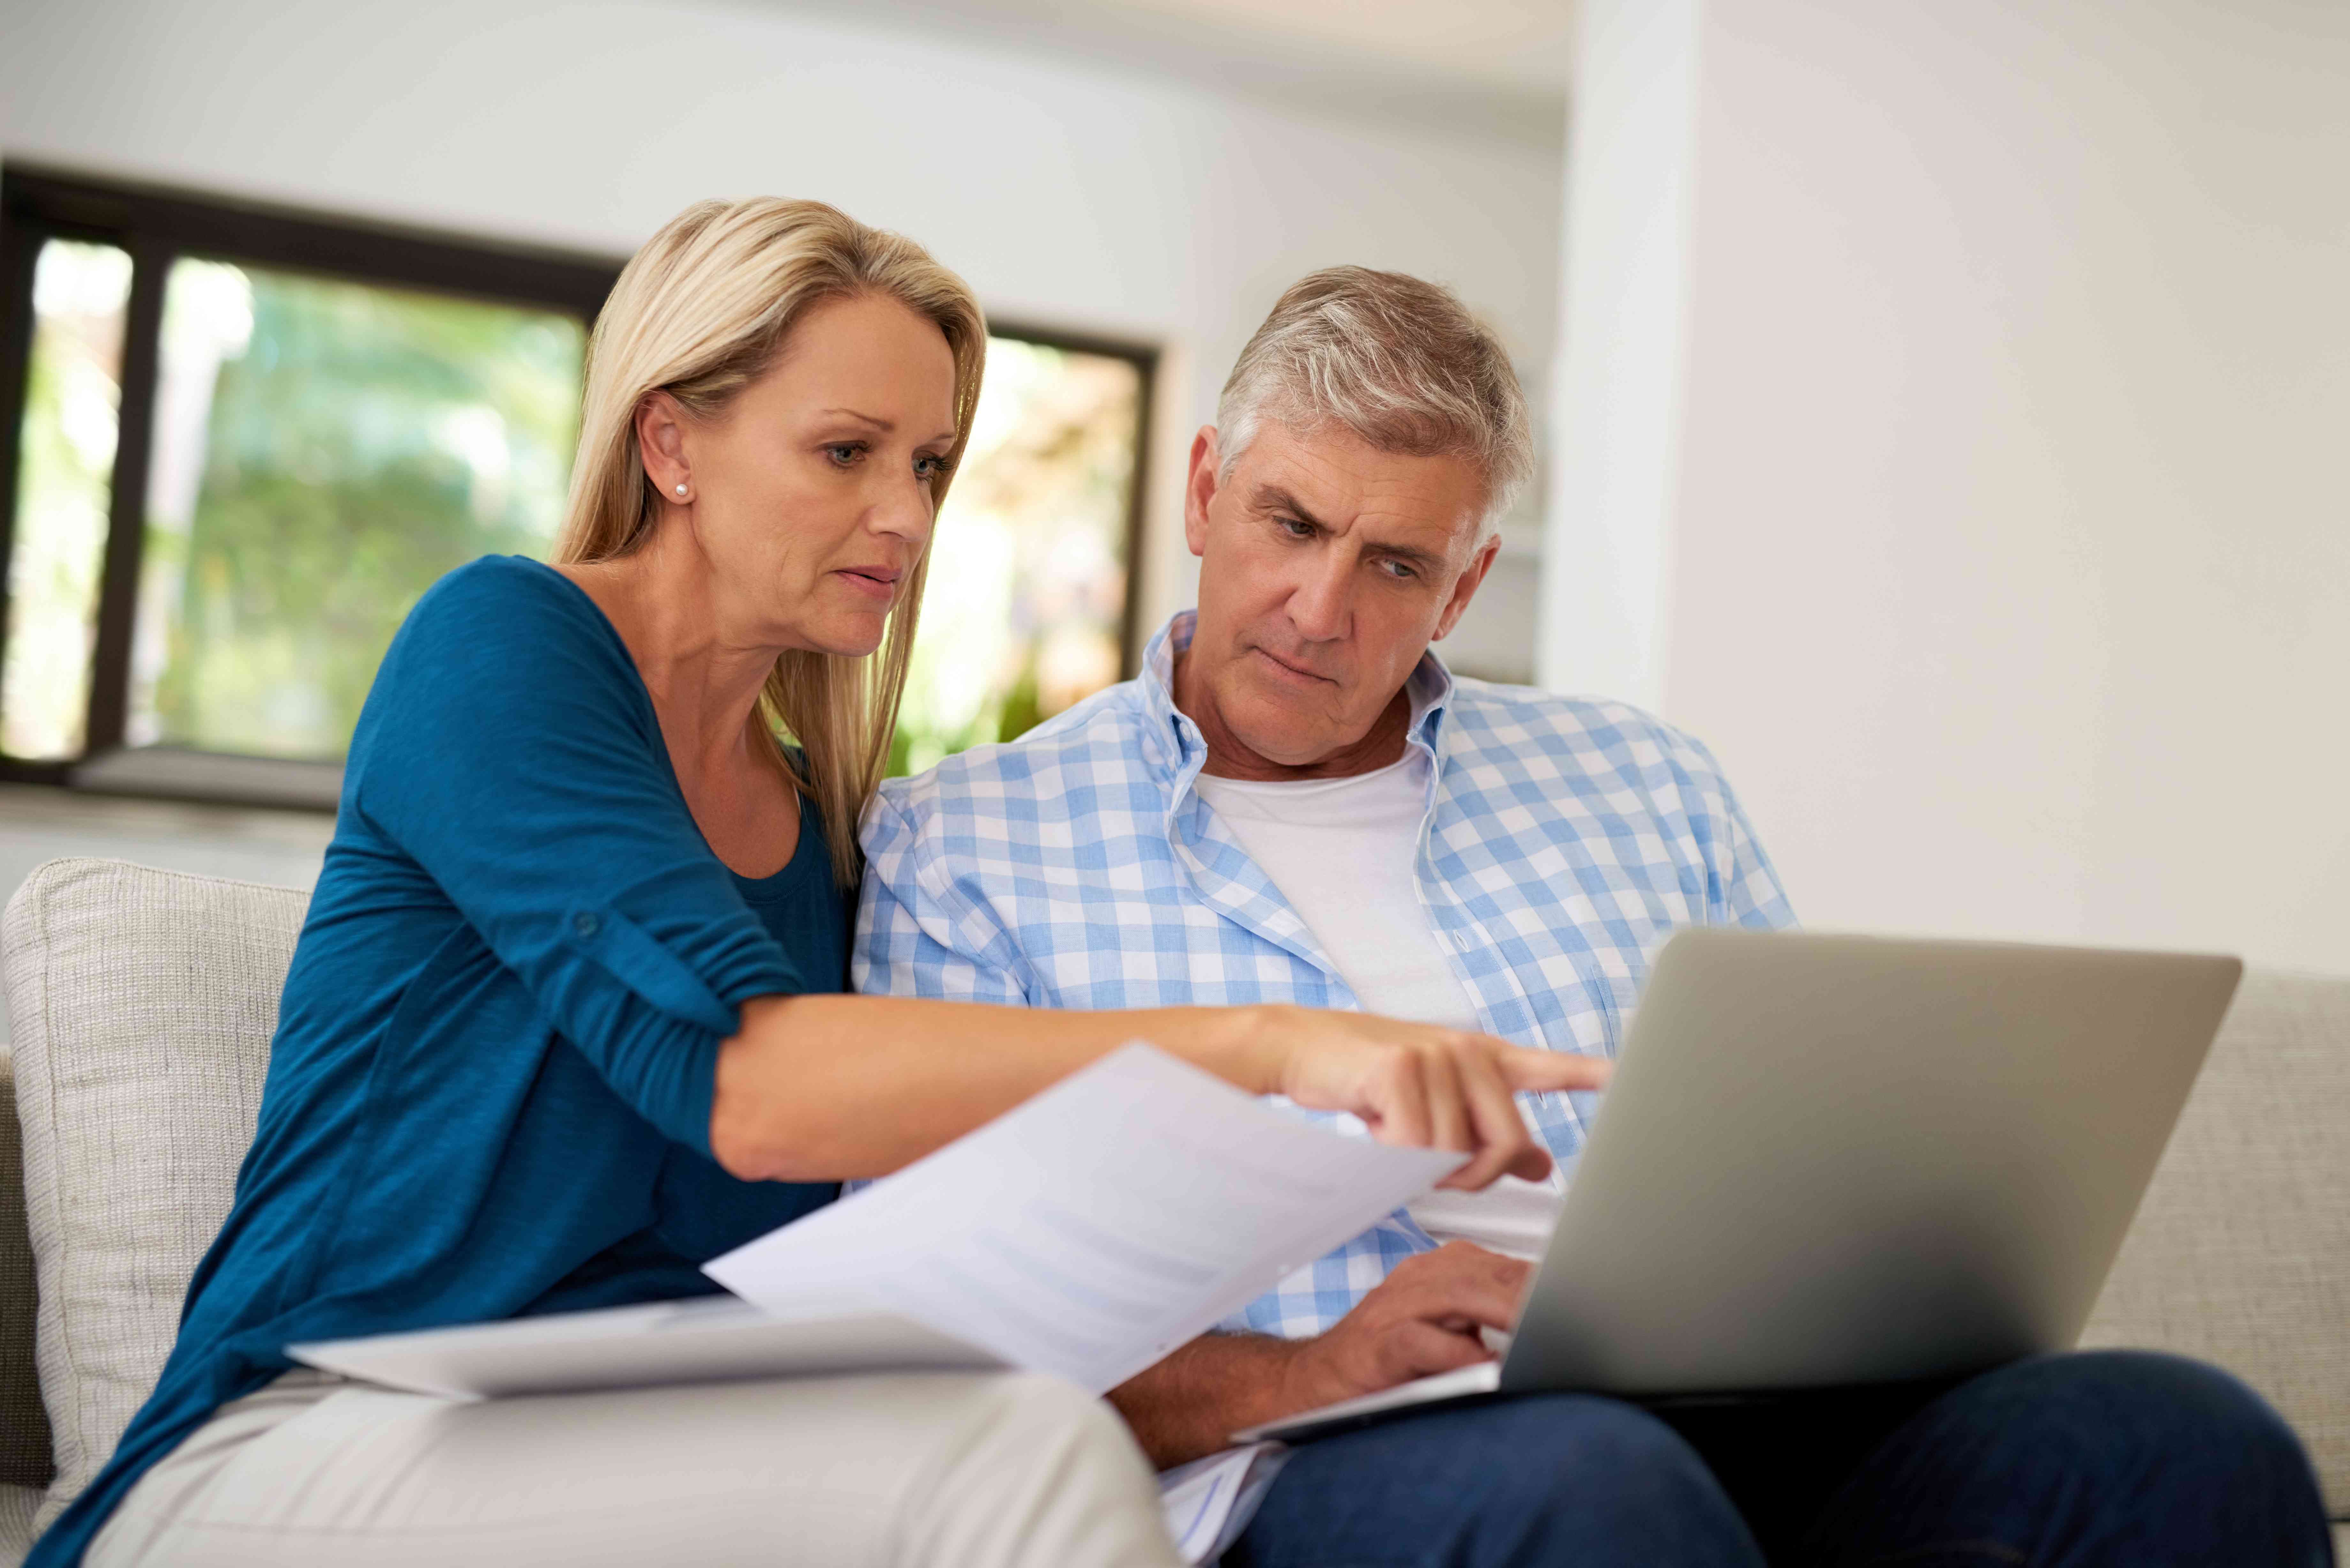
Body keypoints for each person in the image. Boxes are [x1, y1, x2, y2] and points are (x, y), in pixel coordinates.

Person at [30, 204, 1604, 1568]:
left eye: (926, 462)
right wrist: (1273, 1048)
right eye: (845, 454)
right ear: (672, 443)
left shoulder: (822, 828)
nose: (908, 516)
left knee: (1000, 1420)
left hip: (617, 1444)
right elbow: (752, 1085)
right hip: (300, 1445)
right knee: (1016, 1450)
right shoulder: (504, 647)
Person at [857, 266, 2334, 1565]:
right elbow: (947, 1347)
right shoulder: (971, 846)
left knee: (2178, 1434)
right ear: (1198, 490)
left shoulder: (1642, 779)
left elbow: (1808, 1156)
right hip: (1308, 1458)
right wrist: (1316, 1363)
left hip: (1729, 1419)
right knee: (1586, 1483)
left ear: (1467, 581)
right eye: (1288, 522)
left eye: (1395, 565)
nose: (1319, 608)